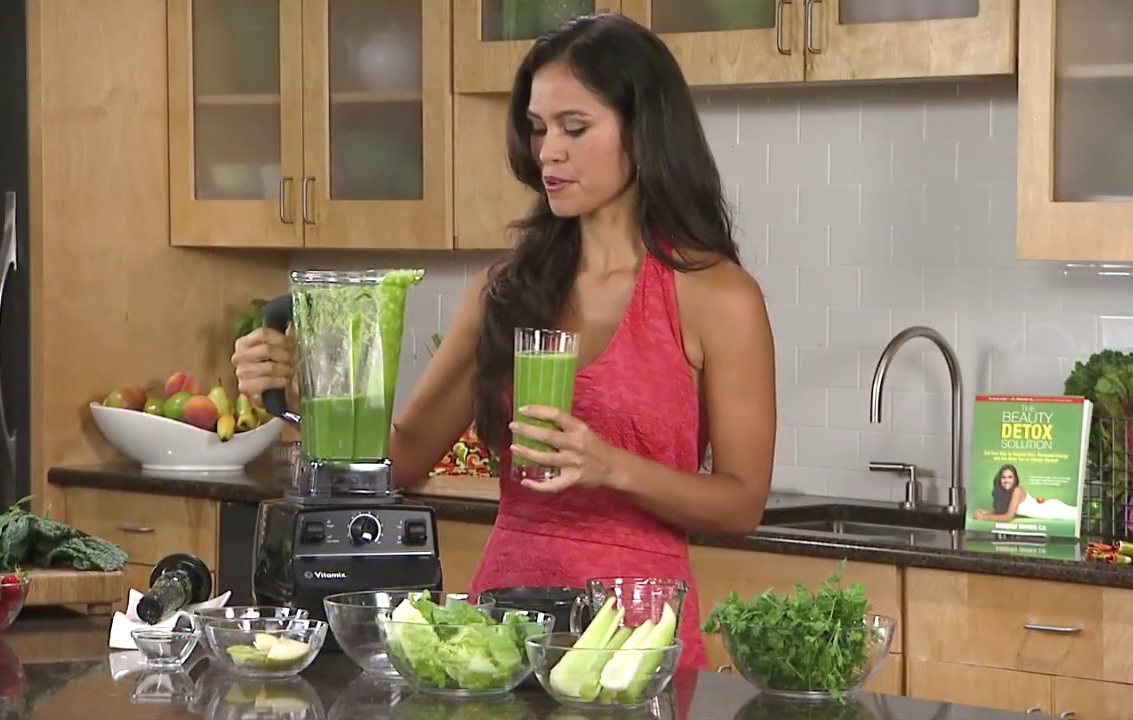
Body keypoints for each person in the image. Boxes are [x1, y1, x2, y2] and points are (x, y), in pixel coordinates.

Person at [232, 13, 776, 670]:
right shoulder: (505, 290)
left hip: (635, 640)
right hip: (499, 633)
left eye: (575, 128)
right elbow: (402, 458)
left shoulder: (717, 296)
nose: (548, 151)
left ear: (643, 131)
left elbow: (742, 502)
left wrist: (612, 466)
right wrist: (304, 392)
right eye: (538, 128)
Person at [972, 464, 1078, 523]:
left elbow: (1008, 516)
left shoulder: (1017, 490)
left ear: (1015, 479)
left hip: (1052, 510)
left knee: (1079, 515)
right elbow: (1005, 511)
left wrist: (983, 517)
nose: (1006, 480)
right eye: (1003, 477)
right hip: (1048, 508)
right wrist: (986, 512)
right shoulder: (1006, 493)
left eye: (1010, 477)